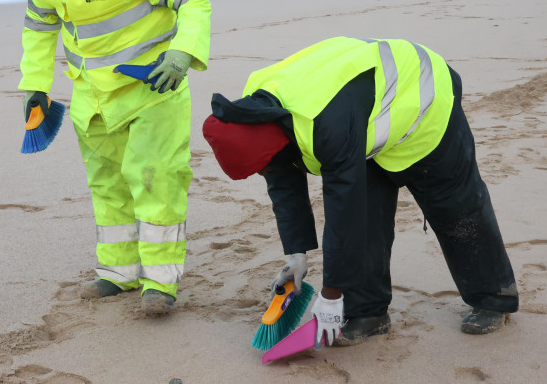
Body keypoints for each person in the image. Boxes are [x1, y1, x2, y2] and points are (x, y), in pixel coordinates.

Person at [202, 36, 519, 346]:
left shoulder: (325, 124)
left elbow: (344, 209)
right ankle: (368, 315)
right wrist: (296, 255)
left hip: (423, 99)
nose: (264, 173)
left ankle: (494, 297)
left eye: (263, 168)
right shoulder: (256, 116)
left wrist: (331, 295)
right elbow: (284, 185)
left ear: (272, 149)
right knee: (367, 216)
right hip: (366, 118)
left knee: (454, 206)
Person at [19, 0, 211, 314]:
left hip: (152, 89)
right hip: (92, 97)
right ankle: (118, 272)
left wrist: (182, 52)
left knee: (155, 181)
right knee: (106, 185)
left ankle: (160, 283)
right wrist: (35, 84)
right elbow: (40, 25)